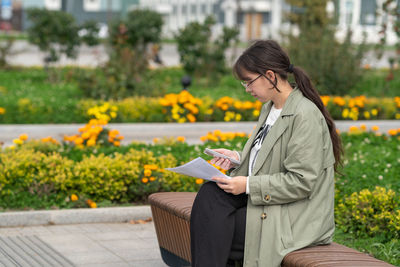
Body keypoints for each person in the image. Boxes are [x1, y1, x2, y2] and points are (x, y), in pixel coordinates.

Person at [190, 40, 343, 267]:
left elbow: (301, 182)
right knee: (211, 195)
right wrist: (237, 160)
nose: (247, 89)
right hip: (272, 204)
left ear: (270, 76)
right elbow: (270, 158)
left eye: (249, 82)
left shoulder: (304, 115)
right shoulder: (270, 107)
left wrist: (248, 185)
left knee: (216, 230)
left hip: (296, 216)